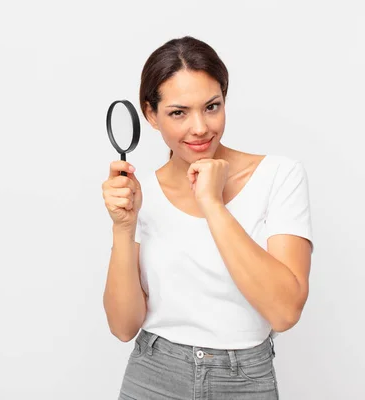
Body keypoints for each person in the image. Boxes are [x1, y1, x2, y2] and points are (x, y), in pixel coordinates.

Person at [102, 36, 314, 400]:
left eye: (211, 107)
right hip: (152, 374)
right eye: (178, 112)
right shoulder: (141, 193)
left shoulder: (279, 176)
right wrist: (124, 227)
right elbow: (123, 327)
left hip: (244, 378)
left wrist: (213, 205)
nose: (200, 128)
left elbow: (284, 312)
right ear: (150, 114)